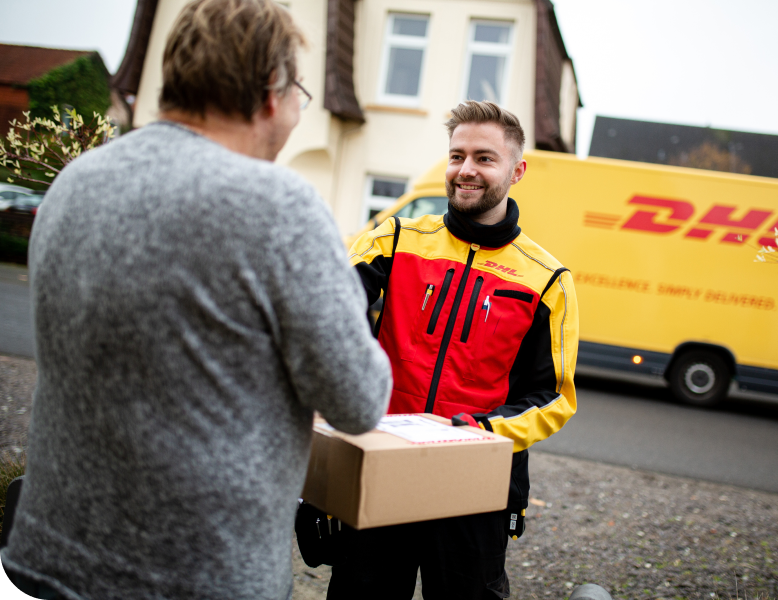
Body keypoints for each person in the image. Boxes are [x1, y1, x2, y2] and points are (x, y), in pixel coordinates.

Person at [0, 1, 391, 598]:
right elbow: (359, 401)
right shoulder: (278, 206)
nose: (297, 114)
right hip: (193, 577)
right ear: (271, 91)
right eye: (300, 95)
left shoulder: (75, 182)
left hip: (46, 559)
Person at [332, 100, 579, 599]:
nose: (466, 170)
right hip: (383, 463)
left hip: (475, 481)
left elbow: (553, 398)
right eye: (457, 156)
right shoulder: (395, 239)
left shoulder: (548, 279)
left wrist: (477, 430)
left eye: (484, 158)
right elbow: (326, 312)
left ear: (517, 171)